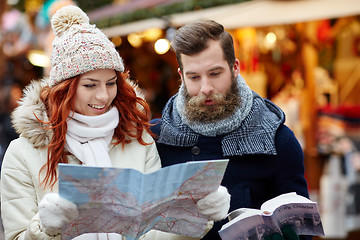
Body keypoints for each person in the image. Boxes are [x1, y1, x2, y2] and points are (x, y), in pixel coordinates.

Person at [0, 7, 230, 240]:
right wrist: (45, 226)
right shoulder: (23, 153)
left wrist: (195, 215)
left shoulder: (137, 140)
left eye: (110, 83)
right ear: (64, 90)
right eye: (90, 85)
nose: (103, 96)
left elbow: (151, 232)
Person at [150, 19, 311, 240]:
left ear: (234, 68)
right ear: (181, 76)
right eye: (194, 77)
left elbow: (301, 230)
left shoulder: (278, 140)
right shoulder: (156, 138)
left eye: (215, 73)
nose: (206, 88)